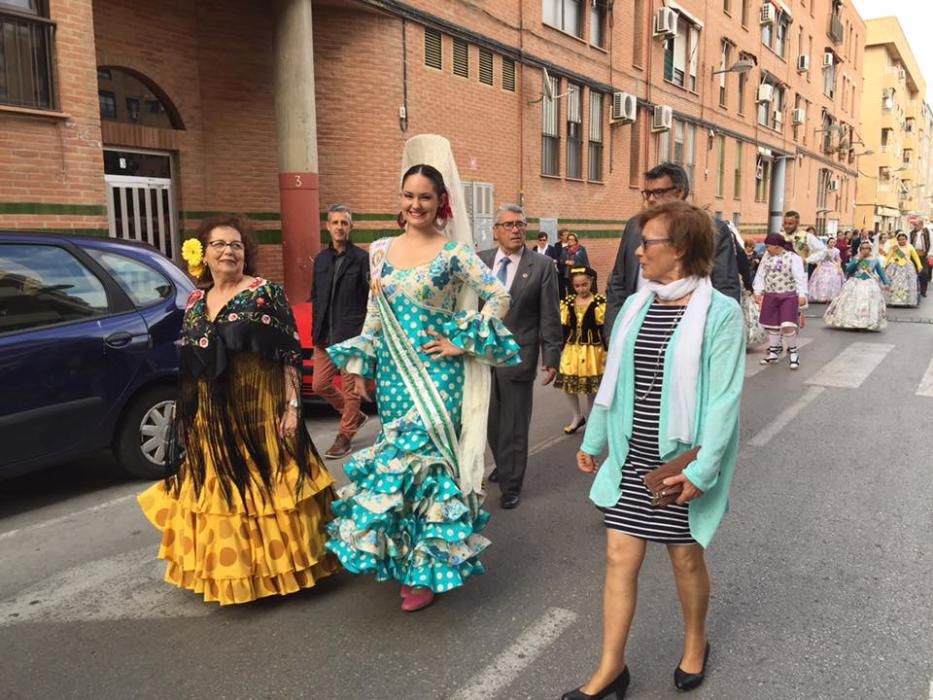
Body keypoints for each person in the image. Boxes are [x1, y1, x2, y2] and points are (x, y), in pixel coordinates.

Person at [325, 140, 520, 613]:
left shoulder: (454, 254)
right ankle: (402, 558)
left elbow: (498, 297)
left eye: (425, 197)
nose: (415, 204)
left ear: (440, 203)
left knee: (428, 468)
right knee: (397, 469)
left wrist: (463, 341)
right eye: (408, 195)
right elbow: (375, 312)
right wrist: (357, 369)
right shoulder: (379, 251)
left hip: (439, 377)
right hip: (393, 375)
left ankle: (424, 570)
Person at [563, 200, 744, 699]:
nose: (638, 252)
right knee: (619, 557)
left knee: (685, 559)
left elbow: (724, 400)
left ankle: (695, 643)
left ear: (681, 249)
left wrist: (703, 471)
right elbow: (615, 383)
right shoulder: (637, 305)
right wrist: (595, 439)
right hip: (630, 455)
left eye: (649, 243)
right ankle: (610, 670)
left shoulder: (721, 314)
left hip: (679, 463)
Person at [138, 214, 339, 605]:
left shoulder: (266, 293)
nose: (229, 251)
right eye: (219, 244)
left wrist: (293, 405)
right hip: (214, 414)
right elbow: (193, 361)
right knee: (224, 494)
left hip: (262, 409)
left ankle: (282, 569)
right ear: (203, 253)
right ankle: (238, 573)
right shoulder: (197, 299)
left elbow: (287, 354)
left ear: (246, 253)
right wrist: (190, 416)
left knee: (270, 489)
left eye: (236, 244)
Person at [480, 205, 563, 510]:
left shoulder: (541, 266)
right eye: (509, 224)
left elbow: (549, 314)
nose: (516, 230)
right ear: (495, 230)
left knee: (514, 423)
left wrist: (551, 355)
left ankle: (512, 484)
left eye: (520, 224)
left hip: (519, 356)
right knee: (491, 421)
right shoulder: (481, 261)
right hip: (483, 357)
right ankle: (504, 463)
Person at [605, 163, 741, 334]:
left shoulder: (712, 230)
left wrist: (719, 333)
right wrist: (612, 330)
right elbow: (618, 281)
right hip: (636, 328)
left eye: (659, 192)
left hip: (690, 331)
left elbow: (726, 285)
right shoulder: (634, 227)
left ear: (680, 191)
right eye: (647, 193)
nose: (651, 199)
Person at [311, 204, 370, 459]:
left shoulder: (361, 258)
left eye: (344, 223)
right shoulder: (321, 260)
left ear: (351, 227)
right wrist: (315, 333)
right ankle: (354, 415)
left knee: (350, 389)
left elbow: (370, 298)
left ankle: (345, 435)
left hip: (351, 334)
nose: (339, 227)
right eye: (335, 223)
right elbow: (316, 296)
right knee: (319, 385)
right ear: (328, 226)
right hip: (324, 334)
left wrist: (365, 335)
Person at [554, 267, 607, 435]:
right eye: (577, 286)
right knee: (568, 385)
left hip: (593, 349)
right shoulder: (568, 302)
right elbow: (563, 326)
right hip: (572, 348)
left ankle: (592, 419)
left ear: (591, 282)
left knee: (591, 387)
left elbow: (604, 327)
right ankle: (577, 415)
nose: (581, 289)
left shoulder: (599, 301)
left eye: (584, 284)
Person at [753, 232, 808, 370]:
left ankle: (793, 353)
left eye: (768, 246)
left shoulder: (793, 258)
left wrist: (802, 294)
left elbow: (799, 277)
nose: (766, 249)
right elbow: (760, 274)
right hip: (771, 295)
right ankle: (773, 352)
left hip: (788, 295)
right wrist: (757, 290)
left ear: (777, 246)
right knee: (772, 325)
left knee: (787, 325)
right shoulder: (767, 257)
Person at [824, 240, 890, 331]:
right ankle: (852, 321)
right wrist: (858, 260)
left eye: (867, 248)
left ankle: (866, 322)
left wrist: (886, 282)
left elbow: (881, 273)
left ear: (870, 249)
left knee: (868, 303)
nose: (864, 250)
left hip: (869, 283)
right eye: (863, 248)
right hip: (855, 282)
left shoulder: (875, 260)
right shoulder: (856, 258)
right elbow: (848, 269)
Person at [883, 231, 923, 307]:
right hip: (896, 267)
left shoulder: (910, 247)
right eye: (900, 239)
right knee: (895, 284)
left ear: (906, 239)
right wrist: (884, 265)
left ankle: (907, 301)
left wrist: (919, 266)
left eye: (903, 239)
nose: (902, 241)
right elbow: (888, 257)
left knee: (907, 284)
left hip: (907, 267)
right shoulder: (895, 247)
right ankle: (895, 301)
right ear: (897, 240)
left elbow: (916, 257)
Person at [781, 211, 825, 276]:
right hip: (780, 275)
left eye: (790, 224)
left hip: (799, 274)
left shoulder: (806, 236)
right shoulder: (779, 236)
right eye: (785, 223)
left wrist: (807, 260)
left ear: (797, 223)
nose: (787, 226)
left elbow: (823, 250)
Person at [807, 236, 846, 303]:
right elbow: (819, 259)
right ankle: (820, 296)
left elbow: (838, 260)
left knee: (834, 279)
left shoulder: (836, 251)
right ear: (828, 243)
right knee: (821, 280)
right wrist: (818, 266)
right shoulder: (823, 250)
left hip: (833, 265)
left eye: (834, 242)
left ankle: (831, 297)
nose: (832, 244)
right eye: (831, 242)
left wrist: (839, 267)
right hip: (823, 265)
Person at [907, 216, 930, 298]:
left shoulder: (927, 232)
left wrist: (930, 254)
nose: (915, 226)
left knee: (924, 273)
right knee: (913, 272)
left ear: (921, 225)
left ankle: (923, 291)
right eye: (915, 225)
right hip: (914, 255)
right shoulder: (912, 233)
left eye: (916, 225)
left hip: (924, 255)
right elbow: (908, 244)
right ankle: (914, 290)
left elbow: (931, 243)